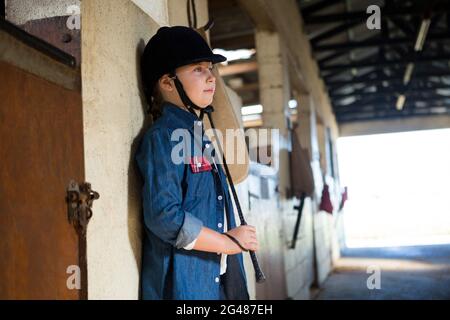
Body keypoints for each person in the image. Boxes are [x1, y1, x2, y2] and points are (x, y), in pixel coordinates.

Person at [136, 26, 259, 300]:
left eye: (210, 69)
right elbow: (164, 217)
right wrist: (228, 242)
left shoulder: (198, 136)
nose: (211, 77)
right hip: (183, 289)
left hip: (219, 283)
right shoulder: (163, 137)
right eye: (198, 69)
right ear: (168, 83)